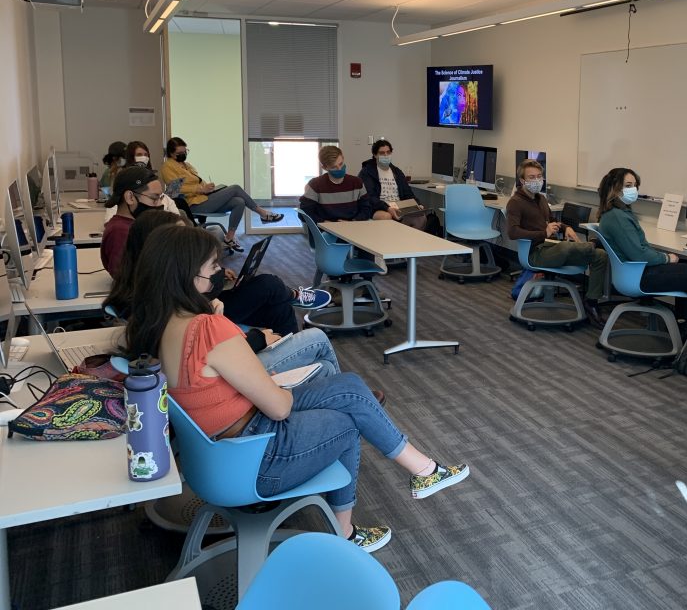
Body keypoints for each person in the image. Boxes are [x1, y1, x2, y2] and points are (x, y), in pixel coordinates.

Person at [125, 224, 469, 552]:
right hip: (251, 454)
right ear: (188, 275)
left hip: (216, 452)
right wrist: (228, 329)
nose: (220, 272)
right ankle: (346, 534)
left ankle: (424, 470)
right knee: (348, 420)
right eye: (213, 265)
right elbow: (279, 408)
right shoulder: (211, 328)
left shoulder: (166, 322)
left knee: (348, 386)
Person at [105, 210, 342, 378]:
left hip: (222, 353)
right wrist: (255, 339)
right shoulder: (165, 311)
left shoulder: (161, 295)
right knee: (311, 335)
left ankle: (300, 370)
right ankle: (300, 368)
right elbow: (200, 357)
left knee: (278, 307)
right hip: (225, 367)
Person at [105, 208, 325, 337]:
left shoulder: (154, 272)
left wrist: (216, 275)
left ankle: (295, 355)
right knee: (268, 285)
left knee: (279, 307)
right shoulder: (150, 292)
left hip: (207, 310)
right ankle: (295, 296)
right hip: (207, 320)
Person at [597, 167, 687, 337]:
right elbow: (639, 254)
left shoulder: (614, 213)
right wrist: (666, 258)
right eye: (628, 185)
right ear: (615, 187)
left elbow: (638, 249)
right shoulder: (618, 217)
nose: (633, 189)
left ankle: (682, 324)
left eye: (635, 185)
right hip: (639, 276)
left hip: (632, 272)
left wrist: (665, 258)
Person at [506, 158, 608, 328]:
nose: (537, 180)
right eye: (532, 177)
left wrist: (565, 227)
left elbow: (552, 220)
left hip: (553, 249)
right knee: (565, 247)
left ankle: (591, 302)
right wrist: (543, 232)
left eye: (539, 176)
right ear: (522, 181)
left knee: (600, 256)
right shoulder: (515, 203)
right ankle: (590, 244)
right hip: (536, 253)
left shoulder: (541, 199)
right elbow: (512, 232)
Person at [160, 136, 283, 253]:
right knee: (235, 188)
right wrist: (200, 189)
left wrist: (207, 187)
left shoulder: (187, 165)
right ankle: (262, 213)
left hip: (203, 198)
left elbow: (195, 182)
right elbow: (174, 190)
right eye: (179, 153)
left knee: (239, 201)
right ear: (171, 153)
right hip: (193, 204)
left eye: (185, 151)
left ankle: (229, 238)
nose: (183, 155)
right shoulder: (168, 167)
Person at [100, 167, 166, 276]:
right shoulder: (121, 232)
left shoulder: (135, 225)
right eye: (154, 198)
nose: (159, 204)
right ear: (130, 197)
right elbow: (124, 277)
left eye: (160, 198)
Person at [299, 145, 391, 223]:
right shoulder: (315, 185)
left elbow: (366, 208)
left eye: (341, 164)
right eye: (334, 167)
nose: (339, 169)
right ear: (324, 167)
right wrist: (324, 223)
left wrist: (353, 222)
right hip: (327, 231)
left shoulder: (357, 182)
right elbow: (303, 213)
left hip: (352, 228)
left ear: (343, 158)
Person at [358, 139, 428, 231]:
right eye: (382, 153)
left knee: (421, 218)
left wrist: (417, 204)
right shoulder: (367, 172)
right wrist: (387, 208)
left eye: (388, 152)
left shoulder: (397, 172)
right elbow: (370, 197)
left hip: (399, 206)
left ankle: (406, 243)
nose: (386, 155)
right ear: (375, 155)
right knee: (386, 217)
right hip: (378, 207)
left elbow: (408, 193)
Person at [104, 141, 180, 223]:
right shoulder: (122, 198)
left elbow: (178, 221)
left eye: (146, 155)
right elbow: (109, 221)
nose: (143, 158)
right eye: (139, 155)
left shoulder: (164, 199)